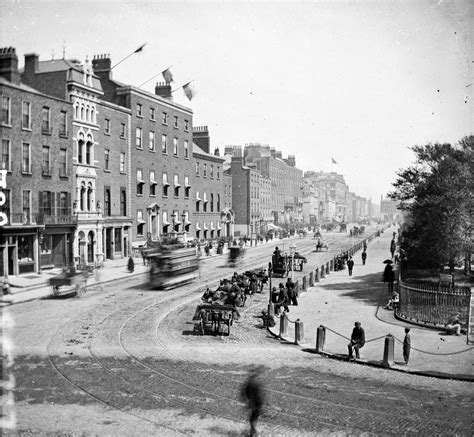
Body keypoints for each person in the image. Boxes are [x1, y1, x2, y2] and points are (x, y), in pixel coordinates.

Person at [241, 366, 265, 437]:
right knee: (253, 418)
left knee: (252, 418)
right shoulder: (256, 382)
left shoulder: (248, 381)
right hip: (255, 403)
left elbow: (243, 392)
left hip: (251, 403)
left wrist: (246, 401)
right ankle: (253, 432)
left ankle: (252, 432)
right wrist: (260, 404)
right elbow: (258, 395)